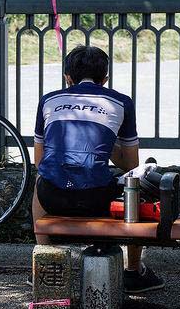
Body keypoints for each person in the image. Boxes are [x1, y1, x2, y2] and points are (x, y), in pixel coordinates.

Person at [31, 45, 164, 294]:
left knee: (43, 175)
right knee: (139, 183)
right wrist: (107, 143)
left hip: (52, 197)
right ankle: (134, 271)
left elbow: (40, 160)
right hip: (96, 198)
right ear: (105, 79)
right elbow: (130, 164)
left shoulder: (49, 100)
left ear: (67, 78)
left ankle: (44, 260)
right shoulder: (122, 102)